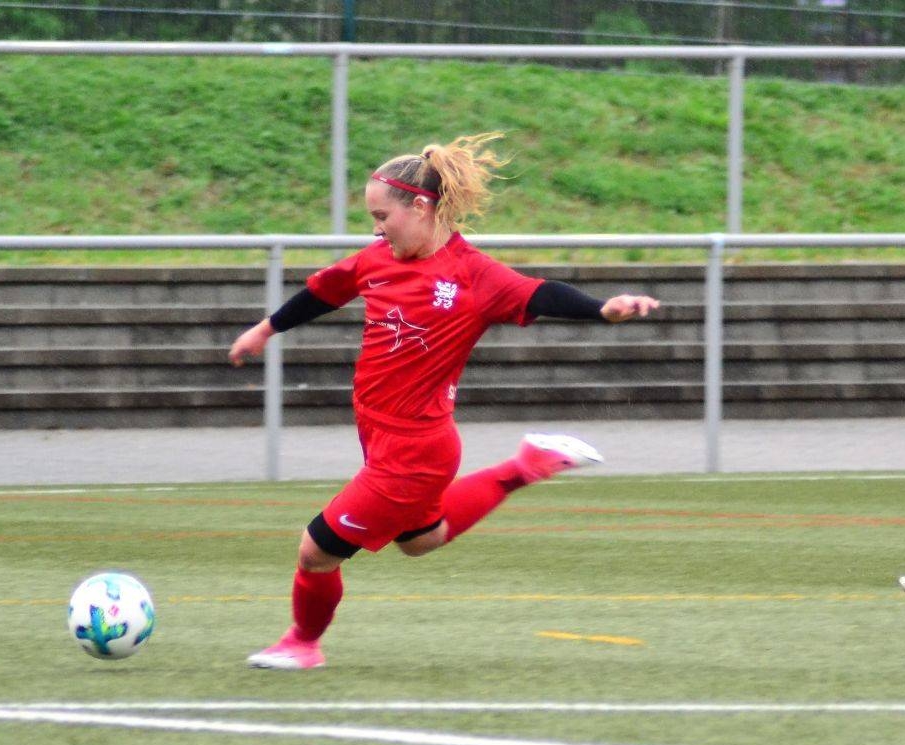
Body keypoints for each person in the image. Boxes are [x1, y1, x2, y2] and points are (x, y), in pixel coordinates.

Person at [228, 132, 660, 670]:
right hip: (381, 435)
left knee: (316, 551)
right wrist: (265, 329)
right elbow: (324, 291)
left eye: (382, 216)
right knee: (419, 540)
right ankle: (525, 466)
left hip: (414, 451)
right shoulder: (376, 259)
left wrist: (602, 309)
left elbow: (540, 292)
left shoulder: (471, 275)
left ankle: (302, 644)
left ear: (420, 206)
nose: (376, 228)